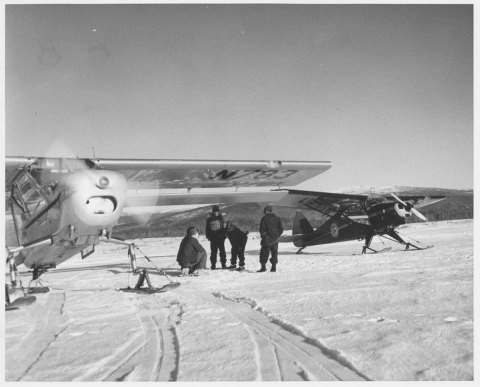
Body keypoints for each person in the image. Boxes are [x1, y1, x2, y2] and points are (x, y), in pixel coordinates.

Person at [258, 205, 284, 272]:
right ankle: (273, 268)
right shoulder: (277, 218)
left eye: (265, 212)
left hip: (267, 240)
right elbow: (281, 229)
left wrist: (263, 236)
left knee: (264, 253)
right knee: (274, 253)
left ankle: (263, 268)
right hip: (275, 239)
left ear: (266, 211)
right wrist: (277, 235)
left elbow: (262, 229)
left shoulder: (264, 218)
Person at [206, 205, 227, 269]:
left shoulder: (221, 218)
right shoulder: (210, 219)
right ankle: (213, 265)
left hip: (221, 237)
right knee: (213, 252)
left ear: (218, 212)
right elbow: (207, 228)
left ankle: (223, 264)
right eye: (215, 211)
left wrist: (224, 235)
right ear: (213, 212)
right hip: (213, 238)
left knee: (222, 251)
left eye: (217, 211)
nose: (216, 213)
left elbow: (225, 227)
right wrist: (208, 236)